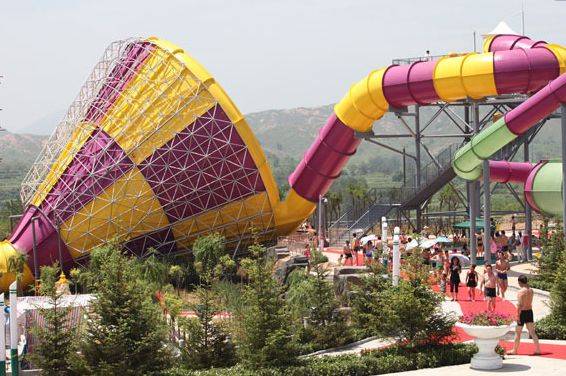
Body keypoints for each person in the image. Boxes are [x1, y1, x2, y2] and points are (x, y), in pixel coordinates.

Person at [507, 275, 542, 355]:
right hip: (529, 311)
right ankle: (538, 349)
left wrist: (517, 315)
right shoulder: (531, 290)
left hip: (522, 313)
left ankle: (514, 350)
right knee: (532, 332)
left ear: (520, 282)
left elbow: (519, 305)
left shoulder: (521, 292)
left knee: (518, 332)